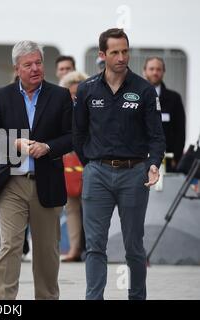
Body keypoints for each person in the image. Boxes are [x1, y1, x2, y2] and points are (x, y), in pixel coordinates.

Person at [73, 28, 166, 300]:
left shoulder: (144, 90)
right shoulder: (87, 89)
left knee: (134, 246)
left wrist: (153, 163)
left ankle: (136, 297)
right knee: (95, 245)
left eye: (125, 51)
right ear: (102, 55)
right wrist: (89, 164)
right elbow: (78, 133)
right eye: (115, 52)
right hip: (97, 173)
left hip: (135, 174)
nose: (121, 57)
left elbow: (156, 136)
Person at [0, 41, 73, 300]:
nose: (36, 68)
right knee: (10, 247)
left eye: (38, 63)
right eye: (28, 65)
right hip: (11, 183)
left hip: (47, 182)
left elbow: (73, 136)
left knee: (47, 251)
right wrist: (14, 143)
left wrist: (48, 147)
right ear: (17, 68)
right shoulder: (1, 96)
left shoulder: (60, 96)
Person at [59, 70, 88, 262]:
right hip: (69, 164)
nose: (75, 97)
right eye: (71, 94)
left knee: (91, 208)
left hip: (90, 162)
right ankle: (75, 249)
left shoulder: (93, 109)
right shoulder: (61, 111)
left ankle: (92, 249)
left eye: (78, 93)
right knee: (71, 208)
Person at [143, 56, 186, 172]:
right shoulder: (134, 97)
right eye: (151, 69)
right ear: (144, 71)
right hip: (139, 160)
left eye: (158, 69)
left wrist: (176, 158)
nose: (155, 72)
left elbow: (180, 131)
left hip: (167, 160)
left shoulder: (174, 98)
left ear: (163, 72)